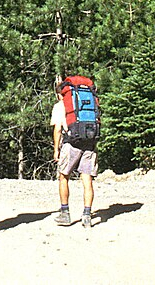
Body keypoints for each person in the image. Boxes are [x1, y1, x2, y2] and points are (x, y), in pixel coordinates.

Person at [51, 82, 96, 228]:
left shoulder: (61, 105)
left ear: (60, 94)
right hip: (90, 141)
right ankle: (87, 216)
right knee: (87, 179)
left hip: (71, 143)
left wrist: (56, 149)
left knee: (63, 177)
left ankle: (65, 213)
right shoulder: (89, 101)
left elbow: (58, 129)